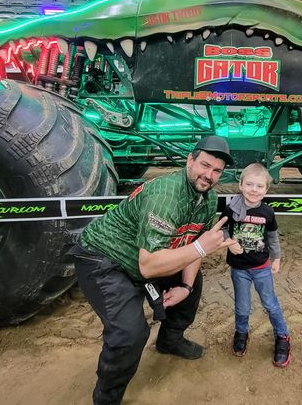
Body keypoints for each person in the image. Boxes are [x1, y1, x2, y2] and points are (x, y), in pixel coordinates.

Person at [70, 136, 237, 404]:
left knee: (192, 284)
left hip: (144, 258)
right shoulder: (166, 195)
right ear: (189, 160)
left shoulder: (207, 199)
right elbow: (149, 267)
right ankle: (106, 399)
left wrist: (185, 287)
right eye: (204, 165)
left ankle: (169, 341)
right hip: (104, 259)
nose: (209, 175)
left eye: (216, 170)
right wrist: (201, 249)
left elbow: (193, 244)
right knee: (130, 334)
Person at [221, 163, 291, 368]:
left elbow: (273, 238)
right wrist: (230, 242)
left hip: (261, 268)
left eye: (259, 186)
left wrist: (276, 258)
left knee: (270, 304)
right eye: (249, 184)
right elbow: (222, 229)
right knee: (242, 306)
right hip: (239, 268)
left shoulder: (268, 212)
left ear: (266, 190)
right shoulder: (231, 208)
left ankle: (282, 336)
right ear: (240, 185)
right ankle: (241, 332)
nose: (254, 189)